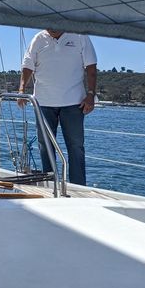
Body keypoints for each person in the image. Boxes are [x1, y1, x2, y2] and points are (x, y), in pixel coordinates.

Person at [18, 29, 97, 186]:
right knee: (45, 146)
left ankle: (78, 187)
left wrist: (91, 94)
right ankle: (50, 184)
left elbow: (91, 67)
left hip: (74, 102)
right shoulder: (38, 39)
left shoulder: (80, 35)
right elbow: (27, 66)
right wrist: (21, 90)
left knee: (76, 147)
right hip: (44, 102)